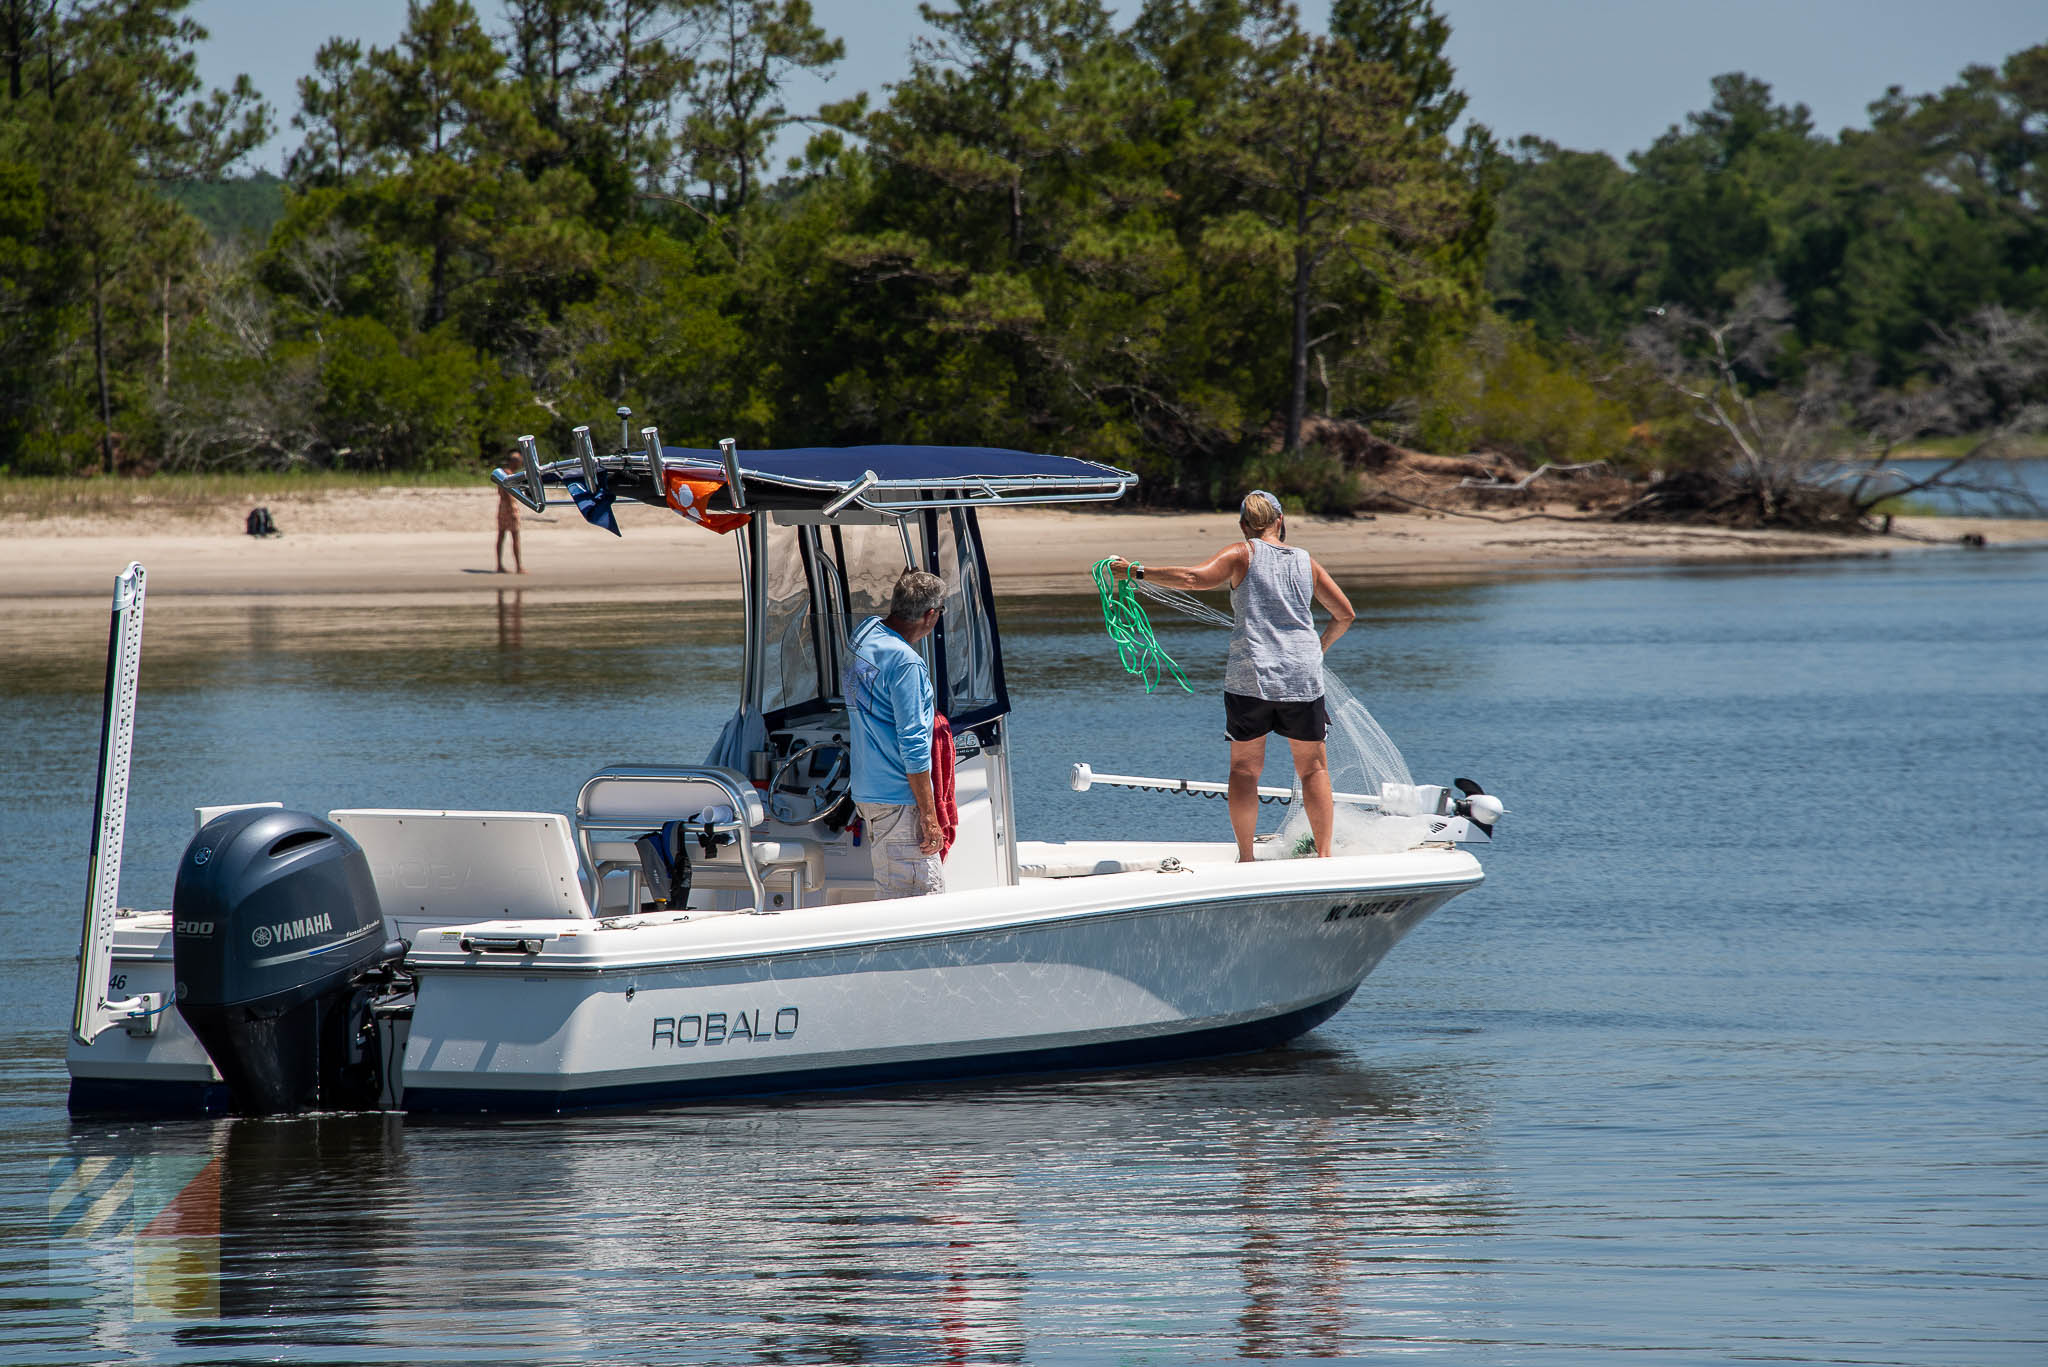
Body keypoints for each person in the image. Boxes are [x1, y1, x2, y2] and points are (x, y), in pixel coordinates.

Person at [1110, 490, 1355, 861]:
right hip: (1301, 677)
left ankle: (1246, 856)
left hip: (1252, 677)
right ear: (1281, 521)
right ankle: (1324, 856)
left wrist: (1134, 571)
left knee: (1244, 770)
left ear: (1244, 525)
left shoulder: (1243, 553)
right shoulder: (1306, 562)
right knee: (1313, 768)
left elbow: (1195, 578)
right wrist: (1316, 650)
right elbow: (1345, 614)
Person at [848, 569, 948, 898]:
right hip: (898, 800)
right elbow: (914, 746)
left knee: (893, 895)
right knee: (921, 908)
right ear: (930, 615)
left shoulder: (864, 634)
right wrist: (930, 817)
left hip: (868, 793)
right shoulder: (907, 665)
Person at [494, 450, 525, 574]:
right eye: (518, 461)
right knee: (514, 536)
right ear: (512, 462)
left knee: (501, 535)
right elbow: (506, 493)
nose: (519, 464)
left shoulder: (502, 474)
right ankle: (518, 566)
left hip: (502, 507)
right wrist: (511, 510)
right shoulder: (508, 474)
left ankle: (500, 565)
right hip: (508, 507)